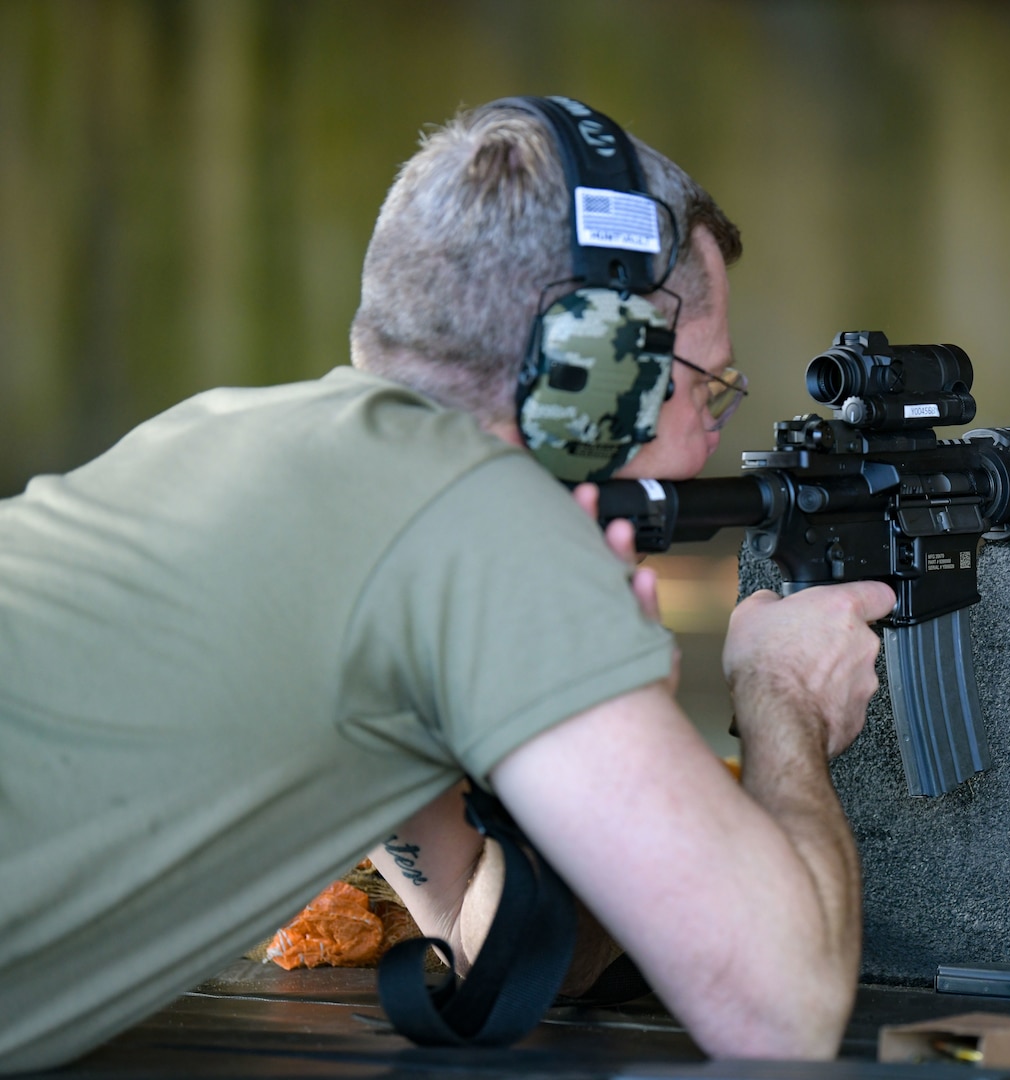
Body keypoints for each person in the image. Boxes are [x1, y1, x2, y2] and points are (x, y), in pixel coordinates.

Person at [0, 99, 894, 1073]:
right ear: (594, 372)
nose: (715, 426)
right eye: (706, 384)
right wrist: (784, 700)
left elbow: (492, 947)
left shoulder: (220, 436)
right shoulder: (482, 521)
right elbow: (781, 1016)